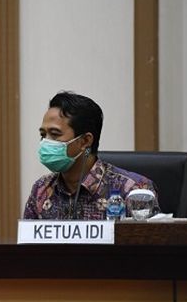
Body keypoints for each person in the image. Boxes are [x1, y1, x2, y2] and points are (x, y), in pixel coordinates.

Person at [23, 91, 158, 220]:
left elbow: (149, 242)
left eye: (55, 134)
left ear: (85, 141)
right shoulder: (42, 189)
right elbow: (28, 242)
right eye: (43, 135)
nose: (46, 142)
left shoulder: (133, 190)